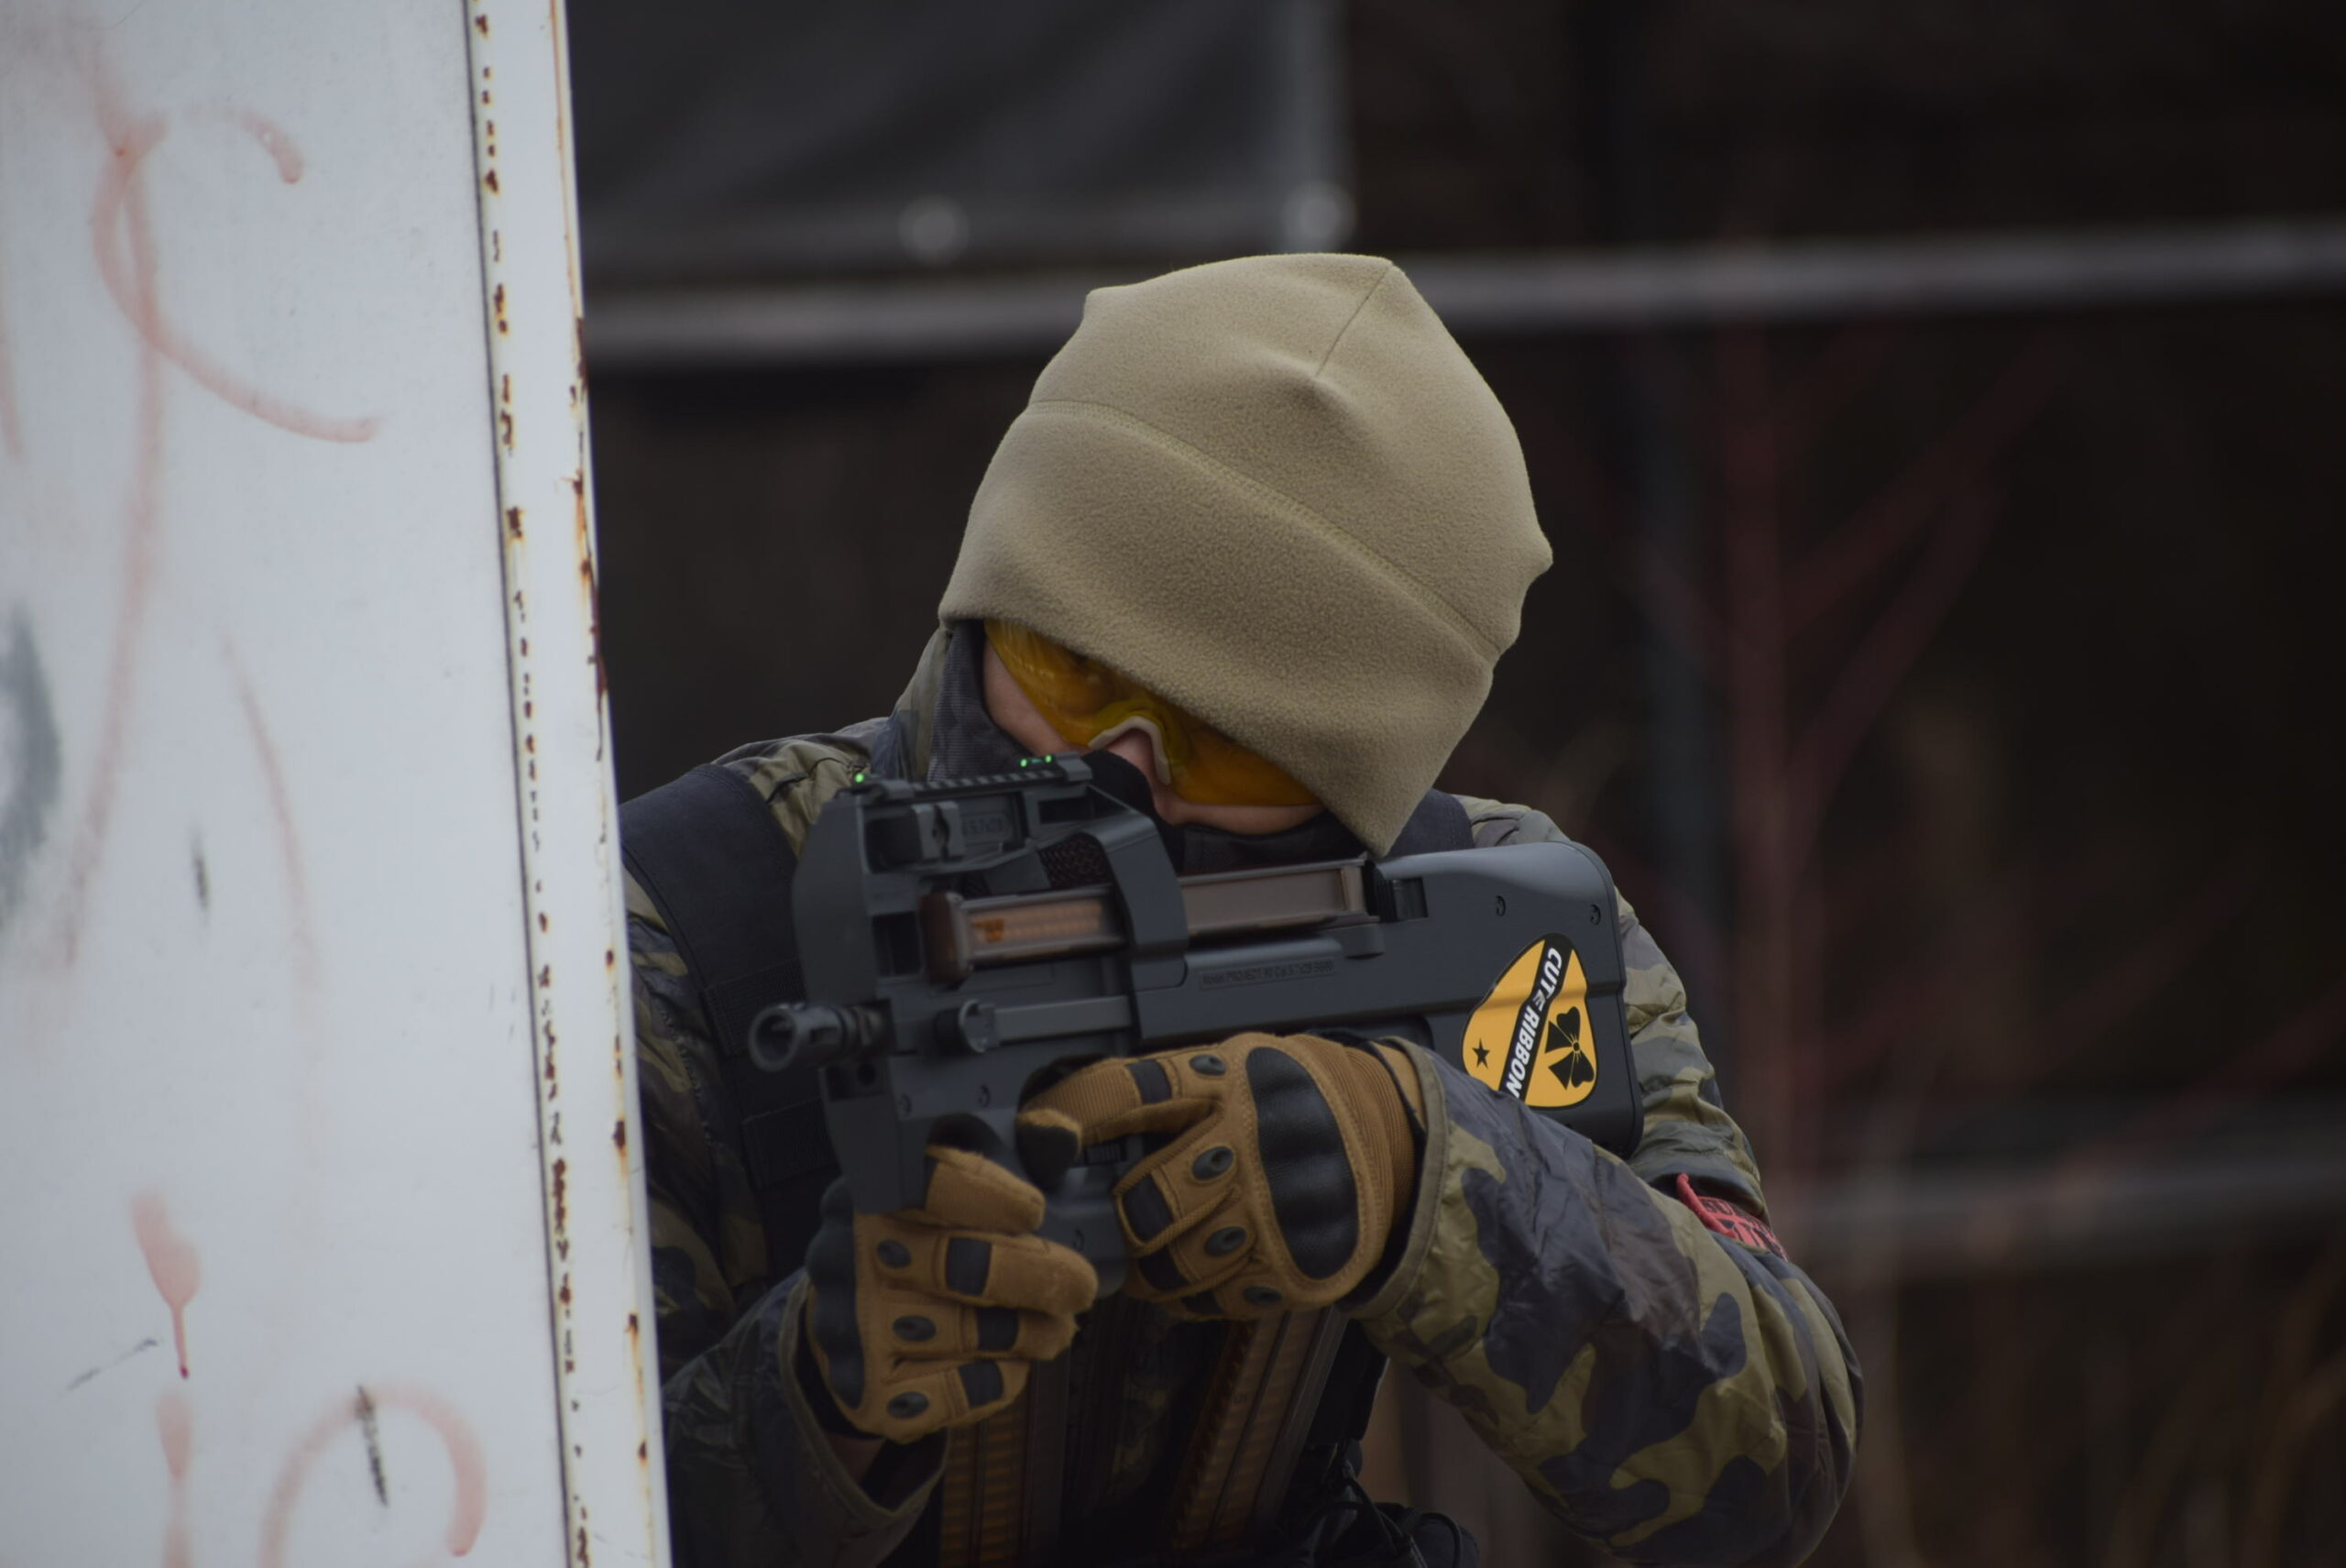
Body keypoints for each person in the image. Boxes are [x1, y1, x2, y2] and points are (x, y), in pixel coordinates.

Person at [627, 254, 1859, 1568]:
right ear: (988, 604)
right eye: (1074, 666)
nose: (1116, 775)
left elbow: (1776, 1465)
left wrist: (1427, 1178)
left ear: (1356, 787)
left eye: (1226, 748)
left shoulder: (1484, 925)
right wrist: (817, 1401)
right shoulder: (673, 926)